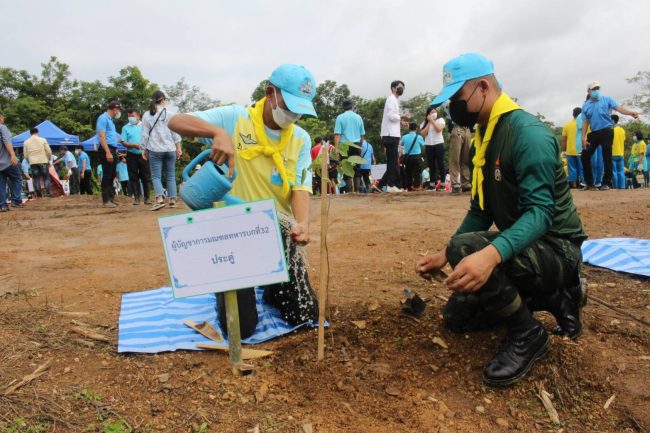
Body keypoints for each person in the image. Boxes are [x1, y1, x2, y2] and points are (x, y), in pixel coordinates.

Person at [417, 53, 587, 386]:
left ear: (483, 87)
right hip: (528, 247)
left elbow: (540, 213)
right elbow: (481, 211)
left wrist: (488, 255)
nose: (454, 107)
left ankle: (528, 333)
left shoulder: (527, 134)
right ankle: (556, 298)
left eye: (457, 98)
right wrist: (444, 253)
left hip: (557, 248)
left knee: (468, 250)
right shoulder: (486, 133)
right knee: (457, 316)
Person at [168, 63, 319, 339]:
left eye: (300, 109)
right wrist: (217, 133)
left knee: (305, 314)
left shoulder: (300, 139)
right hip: (233, 234)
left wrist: (302, 224)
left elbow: (300, 188)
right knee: (241, 328)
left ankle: (274, 284)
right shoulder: (235, 118)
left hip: (277, 233)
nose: (293, 114)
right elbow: (175, 120)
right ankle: (229, 289)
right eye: (290, 106)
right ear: (270, 92)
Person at [580, 81, 640, 191]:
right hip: (594, 133)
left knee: (607, 156)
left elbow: (620, 108)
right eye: (594, 89)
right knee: (585, 155)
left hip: (607, 131)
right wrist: (583, 138)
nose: (596, 90)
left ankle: (606, 183)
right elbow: (585, 122)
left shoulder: (607, 99)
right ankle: (589, 183)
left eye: (598, 88)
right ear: (588, 91)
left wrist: (631, 112)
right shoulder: (586, 106)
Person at [142, 90, 182, 211]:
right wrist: (178, 148)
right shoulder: (170, 114)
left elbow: (144, 134)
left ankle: (159, 199)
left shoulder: (147, 115)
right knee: (171, 175)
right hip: (170, 148)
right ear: (163, 100)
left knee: (156, 176)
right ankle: (172, 200)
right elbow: (175, 132)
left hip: (155, 149)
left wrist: (143, 148)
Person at [378, 80, 410, 192]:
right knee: (393, 161)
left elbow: (392, 117)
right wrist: (402, 116)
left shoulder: (393, 100)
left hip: (391, 134)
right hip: (390, 134)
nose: (402, 89)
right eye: (400, 87)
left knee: (393, 161)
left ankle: (386, 185)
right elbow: (391, 116)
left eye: (403, 87)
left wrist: (401, 121)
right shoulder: (392, 99)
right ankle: (392, 185)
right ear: (393, 88)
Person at [334, 99, 365, 192]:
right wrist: (360, 146)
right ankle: (358, 191)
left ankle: (349, 192)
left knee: (346, 168)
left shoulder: (340, 117)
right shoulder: (358, 117)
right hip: (356, 144)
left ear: (343, 108)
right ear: (352, 106)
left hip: (344, 146)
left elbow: (337, 135)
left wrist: (337, 150)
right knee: (357, 169)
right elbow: (362, 135)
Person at [121, 109, 151, 205]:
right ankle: (137, 198)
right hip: (131, 154)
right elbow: (123, 142)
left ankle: (147, 198)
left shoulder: (144, 126)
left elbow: (150, 138)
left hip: (144, 154)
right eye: (129, 116)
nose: (130, 118)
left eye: (132, 115)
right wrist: (133, 145)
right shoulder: (125, 128)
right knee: (133, 177)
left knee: (146, 176)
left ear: (138, 116)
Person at [97, 100, 122, 207]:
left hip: (112, 148)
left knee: (112, 175)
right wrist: (107, 152)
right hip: (106, 149)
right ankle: (106, 200)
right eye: (118, 110)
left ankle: (111, 198)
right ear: (115, 109)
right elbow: (101, 136)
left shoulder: (110, 120)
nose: (118, 112)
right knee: (107, 174)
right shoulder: (103, 118)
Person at [444, 101, 472, 194]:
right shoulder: (449, 100)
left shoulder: (468, 98)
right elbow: (447, 106)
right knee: (455, 157)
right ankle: (455, 183)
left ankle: (466, 183)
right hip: (456, 128)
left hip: (467, 128)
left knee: (466, 158)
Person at [0, 112, 24, 211]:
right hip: (7, 161)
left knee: (1, 184)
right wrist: (12, 154)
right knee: (17, 178)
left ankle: (3, 205)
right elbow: (6, 141)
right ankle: (16, 200)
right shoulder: (2, 127)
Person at [420, 105, 446, 190]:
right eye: (432, 112)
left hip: (439, 144)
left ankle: (442, 183)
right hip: (429, 145)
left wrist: (433, 121)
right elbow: (423, 134)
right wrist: (429, 122)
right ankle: (432, 184)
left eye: (435, 112)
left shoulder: (440, 120)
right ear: (428, 114)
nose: (434, 113)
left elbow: (439, 129)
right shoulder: (424, 123)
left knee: (440, 163)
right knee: (431, 165)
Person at [23, 127, 53, 198]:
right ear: (37, 132)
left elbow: (25, 155)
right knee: (46, 177)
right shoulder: (43, 140)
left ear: (30, 133)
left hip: (33, 162)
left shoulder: (26, 142)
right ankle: (48, 193)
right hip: (43, 161)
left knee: (36, 178)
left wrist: (29, 161)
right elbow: (49, 151)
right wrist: (48, 159)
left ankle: (39, 194)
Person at [561, 108, 584, 188]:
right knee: (582, 168)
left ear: (573, 114)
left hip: (570, 151)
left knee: (572, 169)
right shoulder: (584, 124)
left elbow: (564, 139)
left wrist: (563, 150)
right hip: (581, 150)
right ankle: (583, 184)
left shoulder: (567, 125)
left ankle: (574, 186)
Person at [401, 122, 425, 191]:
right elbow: (423, 145)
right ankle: (416, 186)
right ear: (416, 129)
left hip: (407, 157)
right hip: (417, 157)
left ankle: (409, 187)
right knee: (417, 172)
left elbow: (400, 146)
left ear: (409, 128)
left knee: (408, 172)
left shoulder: (404, 137)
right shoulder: (419, 137)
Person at [611, 115, 626, 190]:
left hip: (613, 153)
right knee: (621, 171)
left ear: (613, 121)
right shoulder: (622, 130)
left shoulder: (611, 130)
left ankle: (616, 187)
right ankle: (622, 187)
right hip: (621, 153)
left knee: (614, 172)